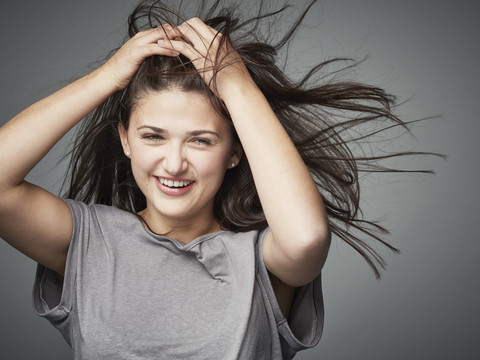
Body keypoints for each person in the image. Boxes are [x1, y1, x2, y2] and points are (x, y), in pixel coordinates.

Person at [0, 0, 431, 359]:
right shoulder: (88, 240)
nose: (173, 163)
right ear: (125, 140)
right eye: (153, 136)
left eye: (201, 141)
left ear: (235, 152)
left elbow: (306, 241)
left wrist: (236, 85)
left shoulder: (259, 261)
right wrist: (106, 78)